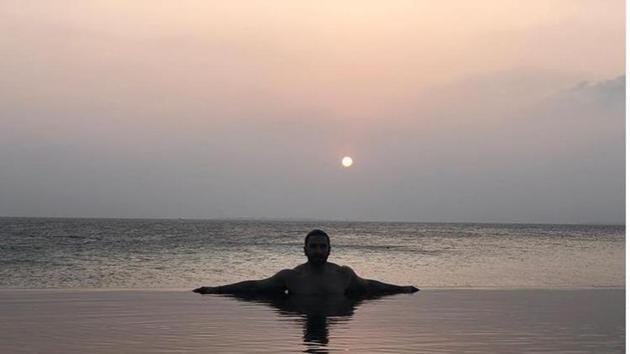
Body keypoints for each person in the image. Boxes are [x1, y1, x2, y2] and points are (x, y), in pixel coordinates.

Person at [193, 229, 419, 296]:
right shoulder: (290, 277)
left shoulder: (343, 274)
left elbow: (370, 286)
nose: (318, 251)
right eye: (314, 247)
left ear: (330, 250)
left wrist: (402, 289)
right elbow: (254, 287)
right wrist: (215, 289)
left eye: (323, 247)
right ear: (305, 250)